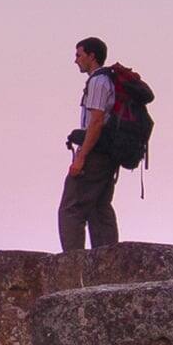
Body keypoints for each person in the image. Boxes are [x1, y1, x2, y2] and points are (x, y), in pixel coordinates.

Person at [60, 35, 121, 252]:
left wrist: (81, 157)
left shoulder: (98, 81)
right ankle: (108, 264)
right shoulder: (109, 81)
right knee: (99, 208)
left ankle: (72, 265)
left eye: (79, 55)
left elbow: (95, 122)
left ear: (91, 56)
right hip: (108, 154)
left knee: (71, 208)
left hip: (94, 153)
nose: (75, 60)